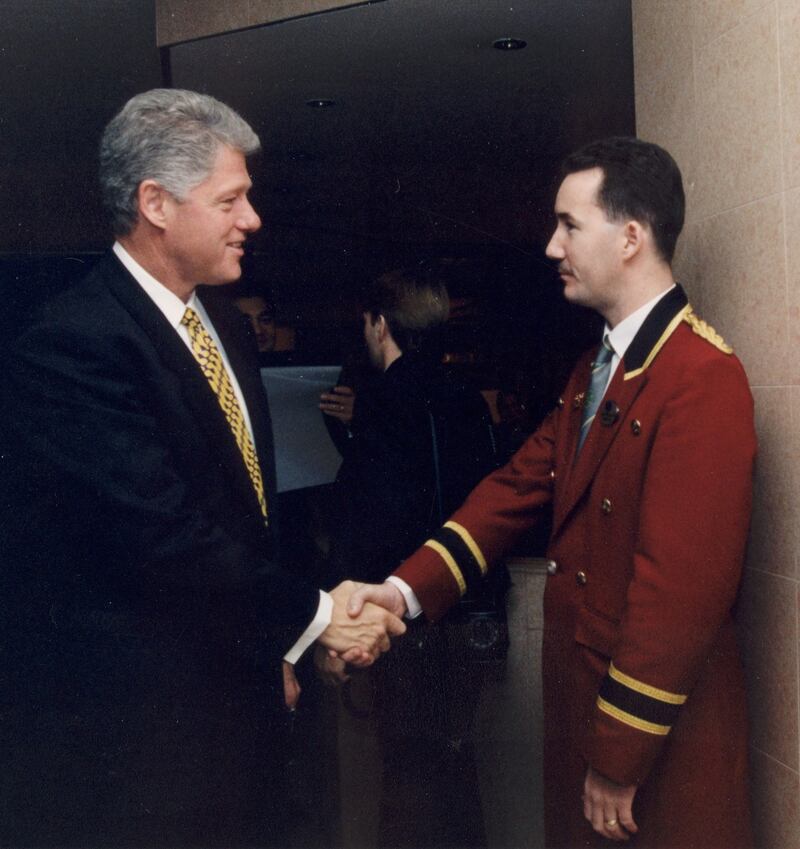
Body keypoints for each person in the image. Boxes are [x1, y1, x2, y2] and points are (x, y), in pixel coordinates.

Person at [0, 88, 404, 849]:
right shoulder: (74, 343)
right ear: (156, 202)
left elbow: (249, 514)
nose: (252, 219)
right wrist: (318, 616)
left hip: (243, 716)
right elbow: (163, 538)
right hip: (145, 749)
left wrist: (276, 647)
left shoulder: (221, 324)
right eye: (231, 199)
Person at [347, 137, 756, 849]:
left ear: (631, 237)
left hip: (651, 738)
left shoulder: (699, 375)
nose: (549, 245)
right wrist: (403, 592)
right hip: (591, 711)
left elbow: (681, 595)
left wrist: (619, 754)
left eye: (569, 224)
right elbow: (512, 491)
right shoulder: (598, 367)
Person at [318, 267, 501, 848]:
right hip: (470, 616)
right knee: (455, 770)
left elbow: (370, 519)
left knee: (406, 777)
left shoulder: (383, 401)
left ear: (380, 325)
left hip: (409, 624)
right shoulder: (464, 396)